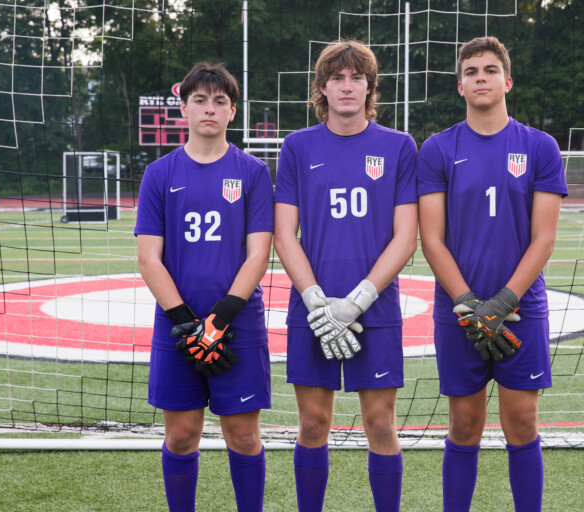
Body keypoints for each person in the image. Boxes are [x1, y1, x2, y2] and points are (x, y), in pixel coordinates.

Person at [417, 36, 567, 512]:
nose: (480, 77)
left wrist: (502, 303)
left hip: (521, 310)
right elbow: (431, 240)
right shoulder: (438, 149)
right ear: (459, 85)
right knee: (464, 425)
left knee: (521, 422)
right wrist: (469, 305)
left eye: (489, 70)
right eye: (471, 71)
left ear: (507, 80)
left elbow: (543, 238)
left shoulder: (539, 146)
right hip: (458, 311)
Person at [273, 39, 418, 512]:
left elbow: (405, 238)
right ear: (322, 88)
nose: (348, 86)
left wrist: (355, 301)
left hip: (374, 308)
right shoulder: (296, 147)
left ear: (370, 86)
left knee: (379, 424)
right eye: (338, 78)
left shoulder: (399, 146)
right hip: (310, 309)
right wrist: (317, 300)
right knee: (313, 423)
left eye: (358, 77)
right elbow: (284, 234)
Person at [135, 62, 274, 512]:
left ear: (233, 110)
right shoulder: (159, 174)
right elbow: (148, 258)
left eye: (219, 101)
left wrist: (217, 323)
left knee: (244, 435)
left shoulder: (253, 172)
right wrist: (187, 326)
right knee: (180, 435)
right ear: (184, 108)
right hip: (177, 328)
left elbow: (259, 254)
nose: (209, 109)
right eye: (200, 100)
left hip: (239, 327)